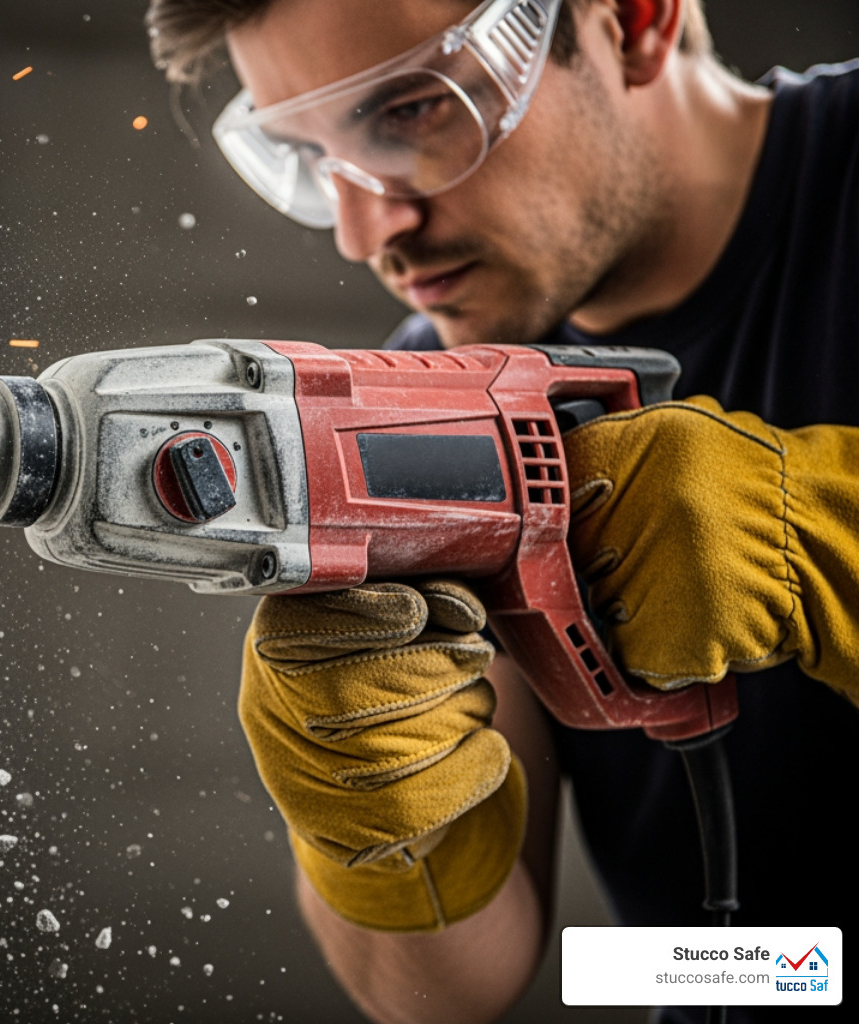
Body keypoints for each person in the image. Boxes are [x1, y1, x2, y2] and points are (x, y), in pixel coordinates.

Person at [144, 0, 859, 1021]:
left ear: (635, 22)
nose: (365, 229)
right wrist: (372, 807)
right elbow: (448, 995)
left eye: (412, 111)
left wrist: (826, 534)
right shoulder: (427, 398)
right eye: (311, 157)